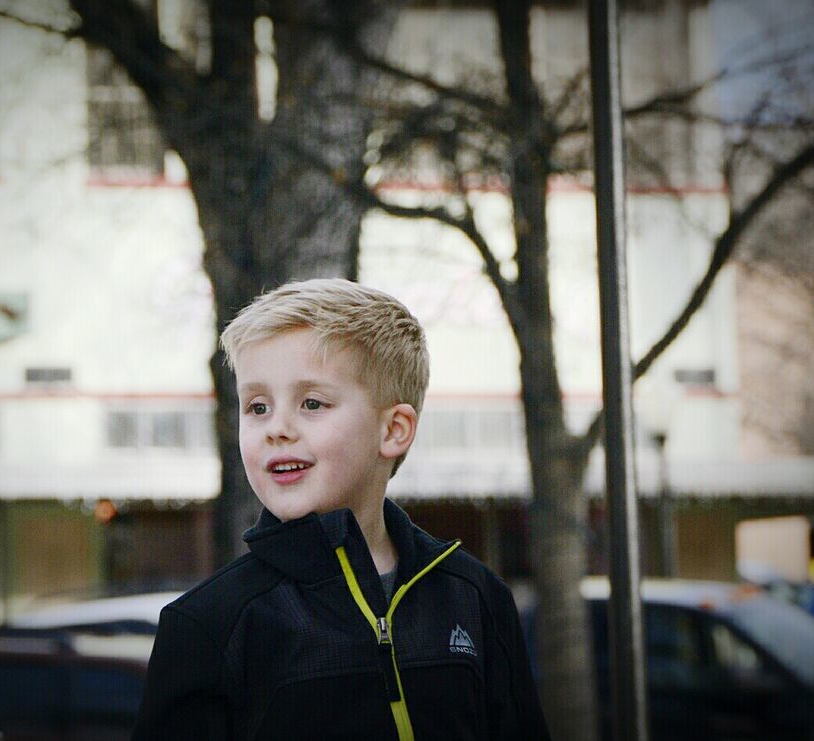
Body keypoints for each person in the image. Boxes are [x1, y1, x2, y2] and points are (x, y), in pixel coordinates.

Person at [130, 278, 550, 740]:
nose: (277, 428)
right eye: (257, 406)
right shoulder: (210, 625)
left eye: (311, 403)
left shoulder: (476, 599)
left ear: (393, 430)